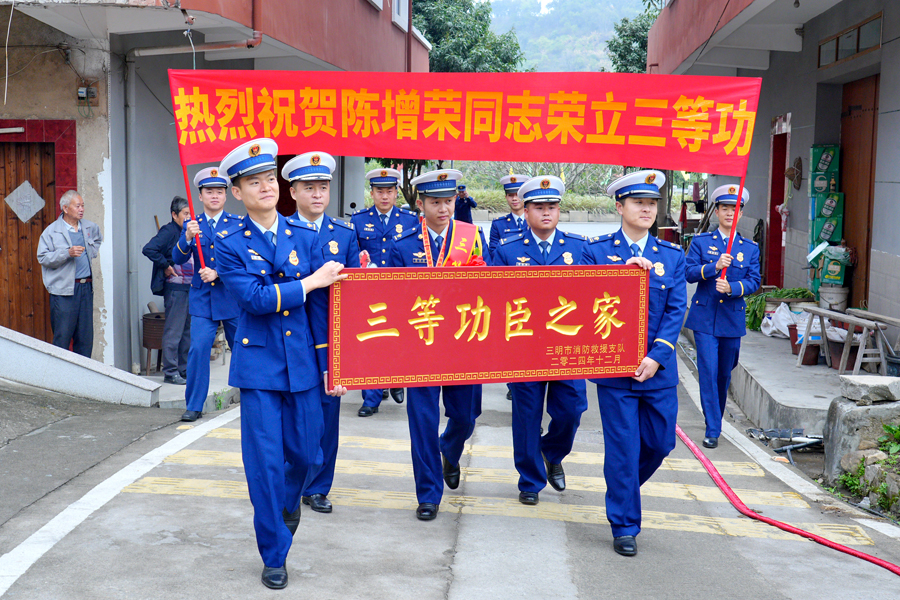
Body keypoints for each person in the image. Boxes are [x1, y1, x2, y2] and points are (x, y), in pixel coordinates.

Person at [214, 138, 348, 590]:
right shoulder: (228, 243)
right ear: (237, 192)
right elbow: (253, 298)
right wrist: (310, 282)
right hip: (260, 367)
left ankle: (289, 504)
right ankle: (274, 553)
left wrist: (334, 364)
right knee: (266, 465)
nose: (266, 187)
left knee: (308, 455)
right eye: (254, 182)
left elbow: (322, 310)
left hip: (304, 363)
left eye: (270, 178)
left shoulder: (305, 237)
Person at [582, 170, 686, 558]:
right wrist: (620, 276)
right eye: (638, 202)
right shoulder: (596, 252)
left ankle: (622, 490)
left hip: (657, 371)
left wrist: (657, 357)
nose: (646, 209)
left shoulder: (671, 256)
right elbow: (583, 299)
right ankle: (624, 524)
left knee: (660, 443)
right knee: (623, 450)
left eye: (652, 203)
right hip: (615, 373)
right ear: (619, 207)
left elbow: (676, 310)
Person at [387, 168, 490, 521]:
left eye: (448, 201)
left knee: (465, 416)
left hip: (463, 343)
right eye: (435, 202)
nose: (444, 209)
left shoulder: (470, 237)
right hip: (421, 346)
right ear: (421, 204)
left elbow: (487, 286)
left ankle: (450, 448)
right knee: (422, 422)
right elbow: (393, 300)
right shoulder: (403, 245)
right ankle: (428, 493)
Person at [492, 176, 589, 505]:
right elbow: (495, 300)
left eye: (552, 207)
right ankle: (530, 481)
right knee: (527, 417)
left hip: (567, 347)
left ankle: (552, 452)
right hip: (524, 348)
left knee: (572, 409)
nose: (546, 213)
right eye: (539, 207)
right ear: (526, 211)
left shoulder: (579, 248)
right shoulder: (508, 250)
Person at [281, 151, 361, 515]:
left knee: (328, 418)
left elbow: (354, 297)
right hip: (293, 340)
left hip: (331, 340)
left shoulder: (344, 234)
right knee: (297, 418)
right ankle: (293, 480)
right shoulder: (280, 232)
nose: (317, 194)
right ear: (293, 192)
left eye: (323, 187)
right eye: (309, 188)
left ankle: (318, 487)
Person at [684, 184, 760, 449]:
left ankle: (714, 418)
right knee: (708, 371)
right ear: (716, 211)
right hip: (704, 318)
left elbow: (754, 281)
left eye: (735, 209)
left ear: (741, 214)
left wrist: (733, 288)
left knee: (723, 374)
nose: (730, 213)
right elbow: (688, 273)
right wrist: (713, 267)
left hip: (731, 319)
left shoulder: (749, 248)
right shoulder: (702, 242)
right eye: (725, 208)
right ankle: (713, 428)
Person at [172, 168, 242, 420]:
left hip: (231, 297)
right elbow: (177, 258)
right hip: (202, 299)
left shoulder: (237, 224)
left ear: (226, 195)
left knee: (243, 348)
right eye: (209, 191)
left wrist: (218, 273)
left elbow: (246, 261)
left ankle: (251, 396)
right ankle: (194, 405)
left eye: (219, 191)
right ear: (200, 196)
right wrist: (187, 237)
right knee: (198, 350)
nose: (215, 196)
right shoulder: (193, 224)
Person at [351, 167, 417, 416]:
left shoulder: (410, 220)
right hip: (369, 292)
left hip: (399, 291)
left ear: (396, 192)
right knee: (371, 342)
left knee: (397, 339)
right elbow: (352, 254)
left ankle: (396, 378)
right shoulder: (359, 220)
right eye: (380, 191)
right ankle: (371, 399)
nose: (385, 196)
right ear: (372, 193)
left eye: (389, 191)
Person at [36, 190, 103, 358]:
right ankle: (60, 373)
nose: (81, 209)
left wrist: (91, 252)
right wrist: (67, 253)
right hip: (64, 291)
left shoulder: (89, 227)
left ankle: (83, 373)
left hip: (86, 288)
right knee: (62, 337)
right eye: (77, 206)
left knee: (85, 339)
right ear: (65, 208)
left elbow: (97, 239)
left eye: (83, 205)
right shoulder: (51, 231)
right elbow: (43, 257)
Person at [142, 196, 193, 384]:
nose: (188, 217)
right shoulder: (169, 231)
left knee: (187, 332)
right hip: (176, 288)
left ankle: (183, 370)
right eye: (185, 213)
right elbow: (149, 249)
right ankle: (170, 372)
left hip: (189, 287)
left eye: (190, 213)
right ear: (174, 215)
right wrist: (165, 265)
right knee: (174, 331)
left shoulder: (188, 232)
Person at [488, 174, 529, 258]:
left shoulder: (534, 221)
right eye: (510, 195)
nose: (514, 198)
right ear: (506, 197)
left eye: (517, 195)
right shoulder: (498, 224)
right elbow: (493, 253)